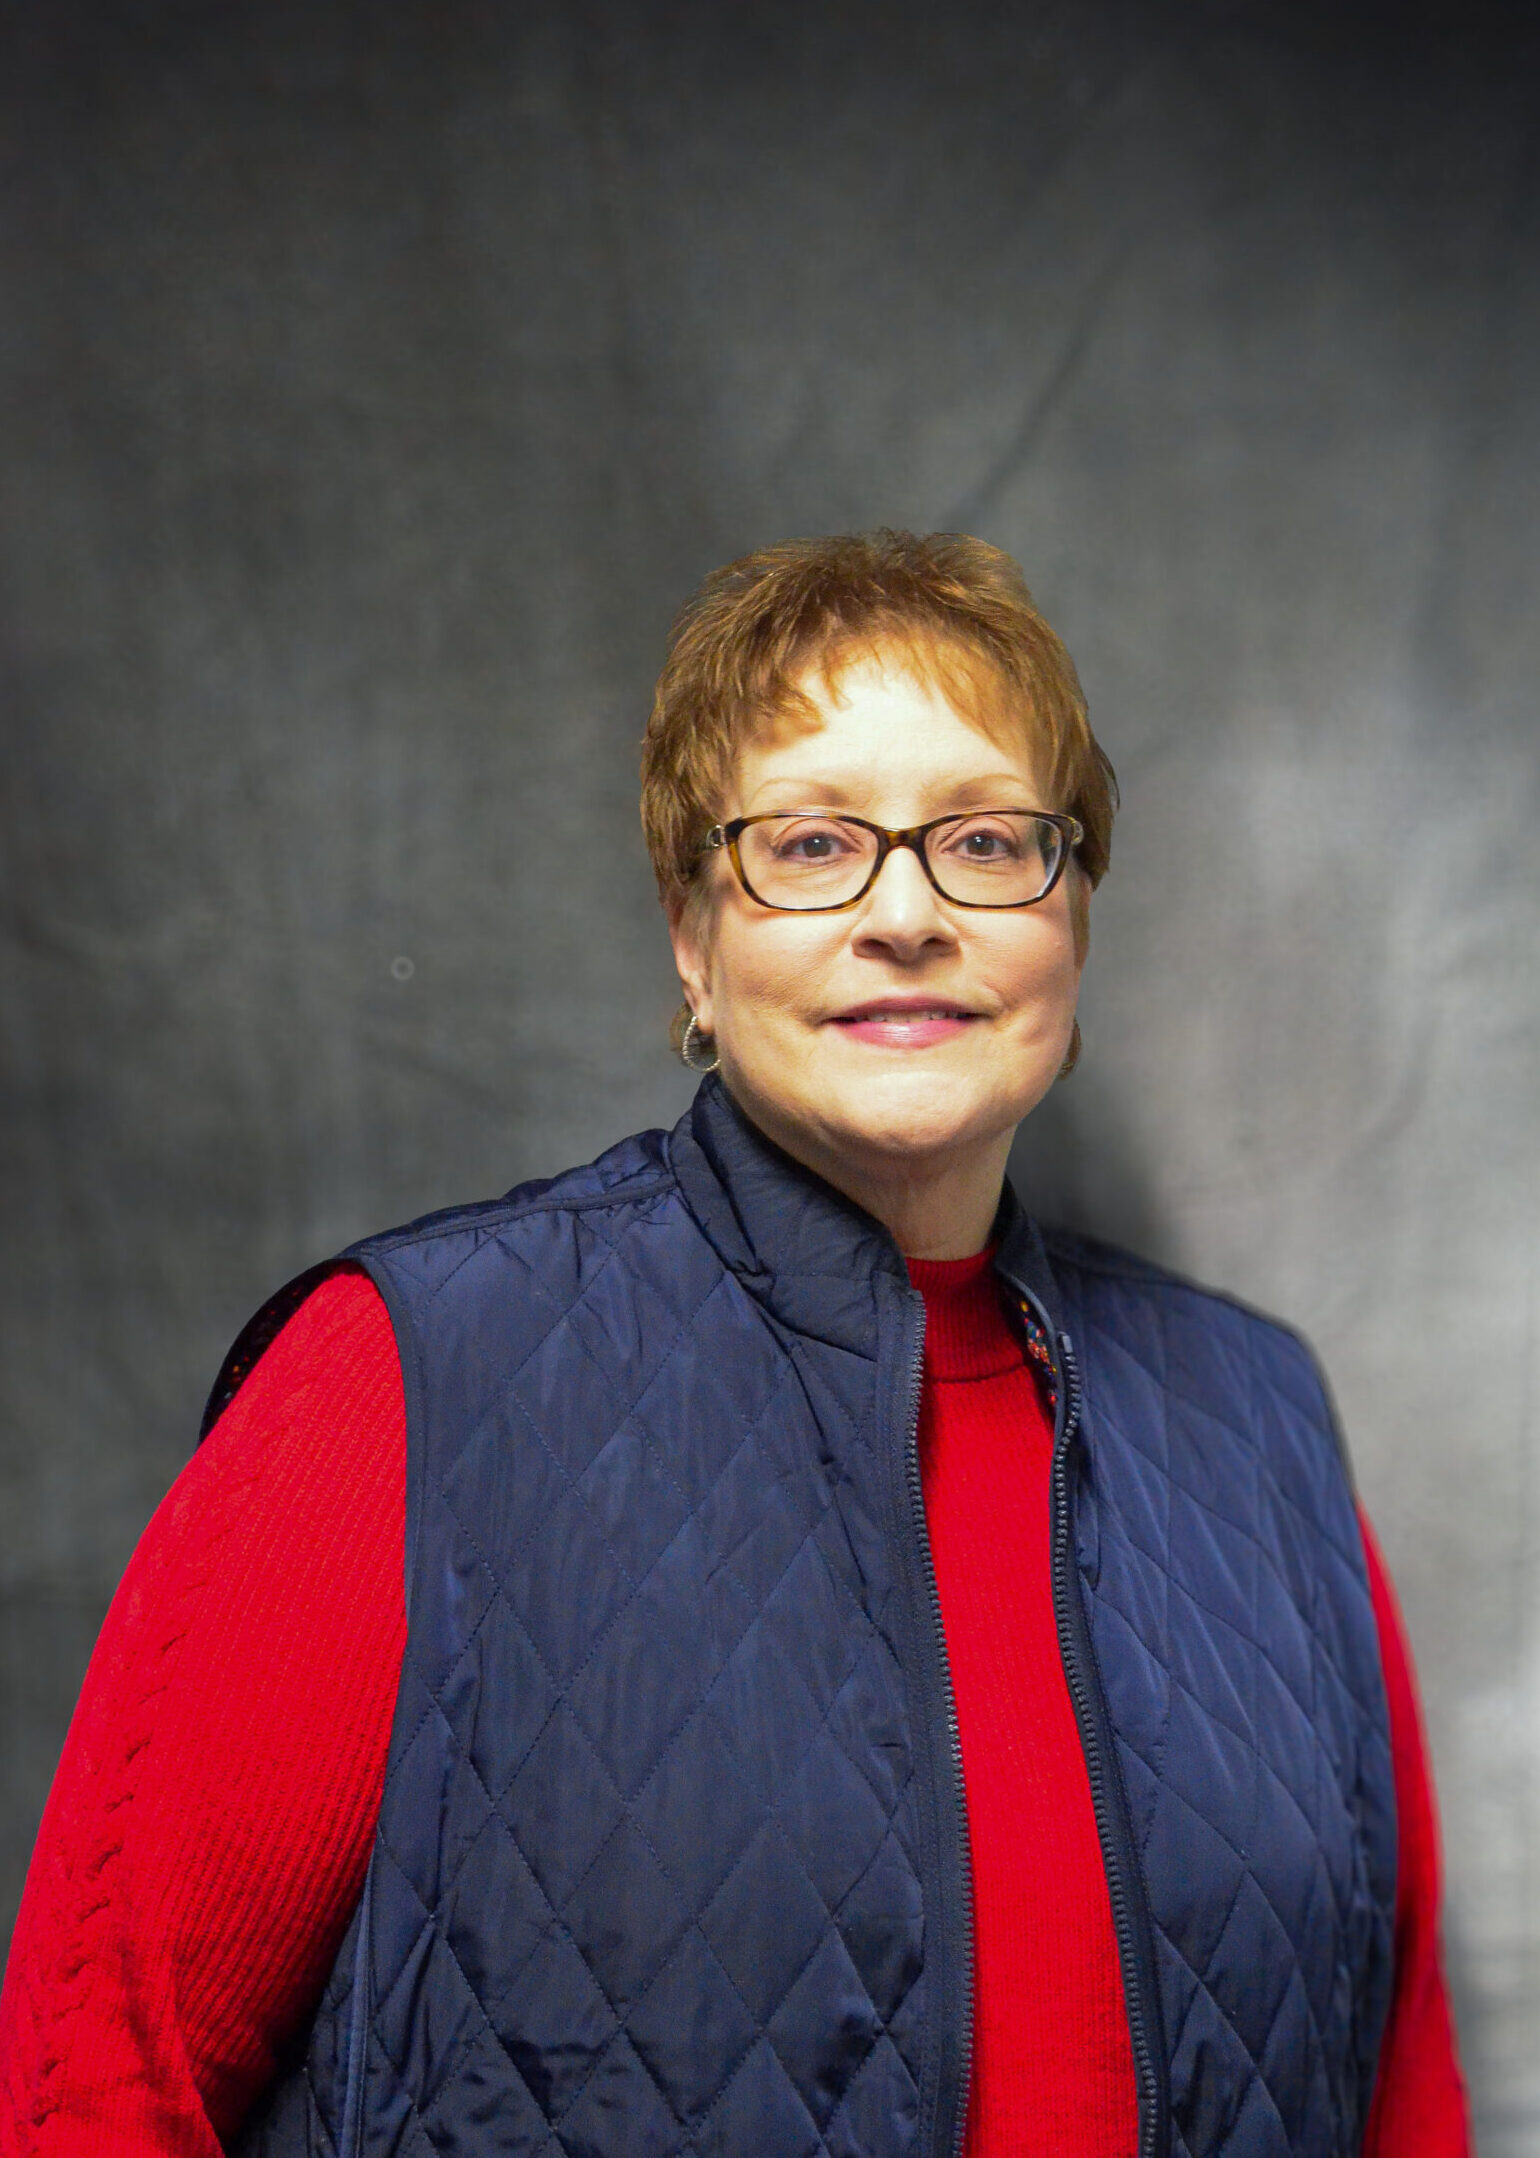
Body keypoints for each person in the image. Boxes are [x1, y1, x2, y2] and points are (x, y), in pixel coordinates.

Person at [0, 531, 1469, 2157]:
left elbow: (1403, 2086)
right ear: (693, 943)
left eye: (984, 839)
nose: (907, 912)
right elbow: (96, 2084)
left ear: (1072, 920)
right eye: (814, 841)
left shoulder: (1259, 1419)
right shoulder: (402, 1384)